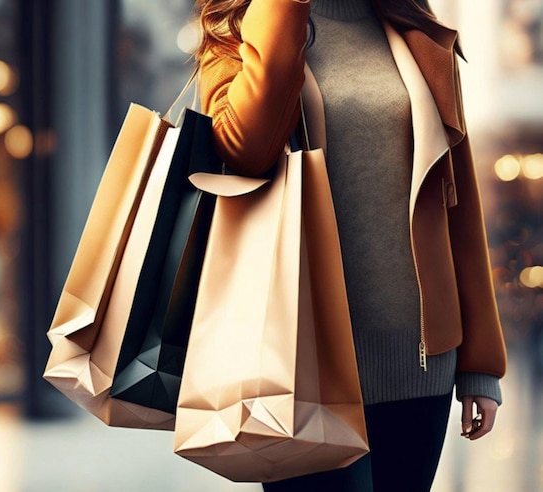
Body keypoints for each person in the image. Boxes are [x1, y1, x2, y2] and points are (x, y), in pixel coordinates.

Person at [192, 0, 508, 490]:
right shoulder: (241, 29)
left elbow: (459, 213)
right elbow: (245, 152)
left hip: (419, 366)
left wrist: (481, 367)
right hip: (300, 367)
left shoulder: (415, 30)